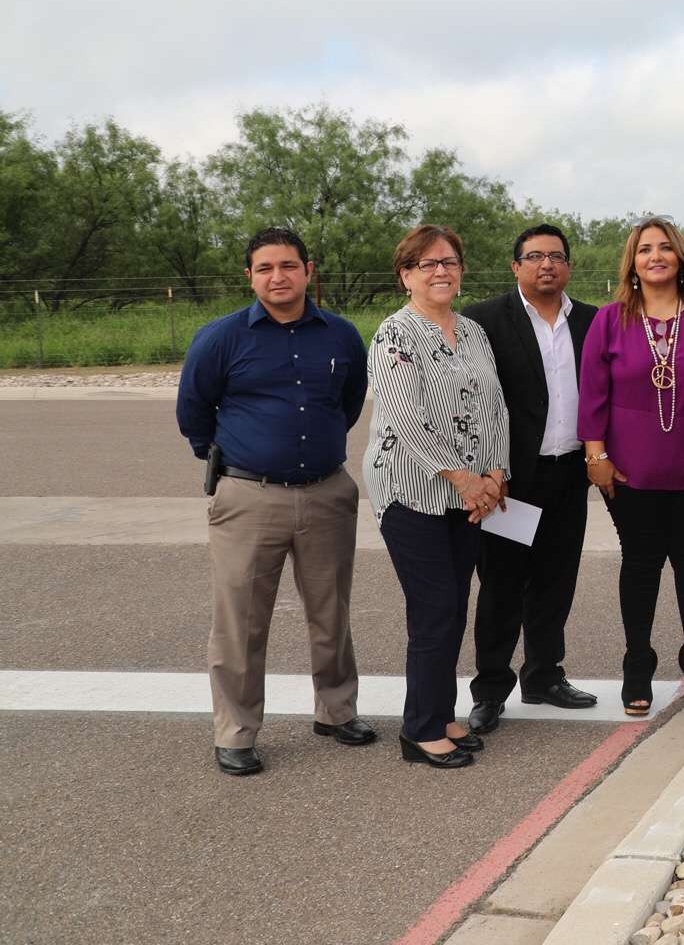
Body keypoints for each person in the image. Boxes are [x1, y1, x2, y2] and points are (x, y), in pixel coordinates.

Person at [175, 227, 372, 777]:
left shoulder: (341, 336)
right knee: (240, 621)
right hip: (248, 497)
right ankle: (236, 732)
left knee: (331, 612)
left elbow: (349, 402)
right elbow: (193, 412)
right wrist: (241, 457)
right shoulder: (221, 338)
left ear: (308, 271)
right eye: (265, 268)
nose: (277, 277)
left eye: (288, 265)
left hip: (327, 493)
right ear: (250, 277)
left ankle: (336, 711)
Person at [365, 224, 510, 769]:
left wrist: (495, 475)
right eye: (426, 264)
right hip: (412, 491)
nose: (440, 271)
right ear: (406, 276)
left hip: (469, 496)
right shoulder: (394, 334)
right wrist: (464, 479)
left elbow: (495, 407)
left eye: (449, 262)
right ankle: (420, 729)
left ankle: (442, 713)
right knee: (434, 608)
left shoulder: (472, 333)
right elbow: (406, 417)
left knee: (454, 607)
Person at [579, 218, 684, 717]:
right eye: (645, 249)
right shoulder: (610, 320)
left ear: (680, 257)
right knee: (640, 564)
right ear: (633, 262)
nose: (655, 256)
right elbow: (592, 394)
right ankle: (637, 662)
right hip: (628, 469)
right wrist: (595, 456)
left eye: (665, 247)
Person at [461, 224, 599, 735]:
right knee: (502, 585)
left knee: (555, 581)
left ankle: (544, 676)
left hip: (569, 474)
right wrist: (484, 472)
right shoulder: (484, 320)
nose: (547, 265)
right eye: (536, 256)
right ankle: (490, 690)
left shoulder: (591, 320)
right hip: (512, 481)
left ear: (569, 266)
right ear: (516, 266)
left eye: (556, 256)